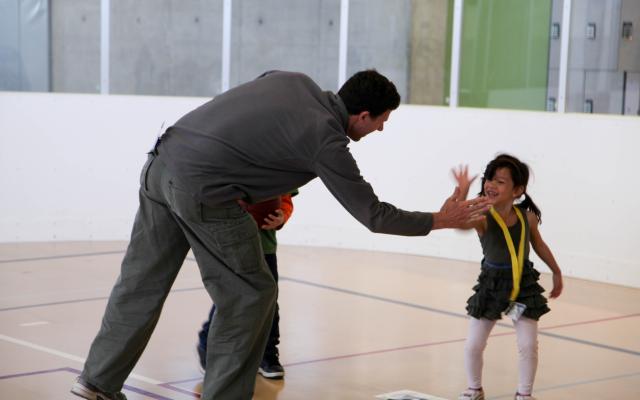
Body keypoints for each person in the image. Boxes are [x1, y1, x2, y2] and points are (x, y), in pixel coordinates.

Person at [70, 69, 491, 400]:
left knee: (140, 284)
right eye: (382, 120)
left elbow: (253, 119)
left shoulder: (292, 79)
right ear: (361, 116)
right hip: (205, 190)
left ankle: (96, 382)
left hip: (162, 162)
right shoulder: (327, 140)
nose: (381, 128)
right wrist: (440, 219)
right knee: (251, 294)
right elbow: (374, 215)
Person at [452, 155, 563, 400]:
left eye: (500, 181)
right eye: (490, 179)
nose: (491, 184)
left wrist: (556, 271)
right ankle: (474, 389)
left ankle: (524, 394)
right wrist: (462, 191)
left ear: (518, 190)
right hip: (492, 289)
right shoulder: (482, 216)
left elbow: (540, 245)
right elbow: (459, 223)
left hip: (521, 290)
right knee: (473, 345)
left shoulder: (527, 217)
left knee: (527, 346)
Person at [197, 191, 297, 380]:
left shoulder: (277, 165)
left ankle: (267, 355)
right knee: (230, 298)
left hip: (264, 246)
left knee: (269, 304)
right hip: (231, 242)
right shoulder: (229, 163)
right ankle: (207, 345)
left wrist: (282, 215)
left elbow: (286, 199)